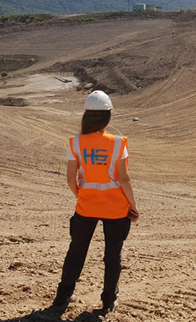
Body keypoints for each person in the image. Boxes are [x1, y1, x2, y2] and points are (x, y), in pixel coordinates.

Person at [53, 90, 139, 313]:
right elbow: (124, 179)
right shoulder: (118, 143)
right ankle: (109, 300)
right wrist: (133, 205)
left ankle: (63, 297)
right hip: (116, 208)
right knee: (112, 255)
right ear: (108, 117)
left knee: (76, 252)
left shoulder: (76, 142)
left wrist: (82, 195)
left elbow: (71, 179)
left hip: (86, 206)